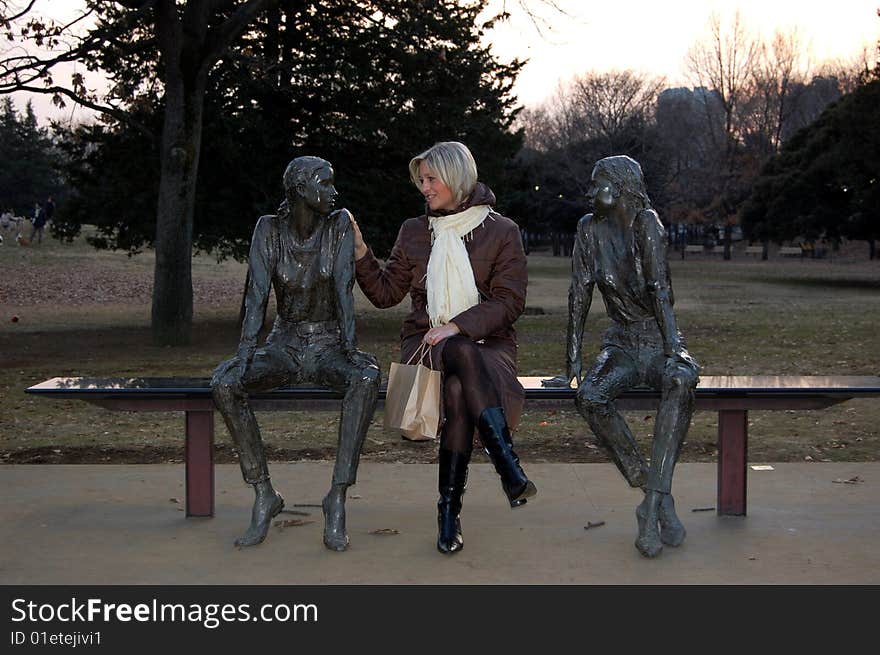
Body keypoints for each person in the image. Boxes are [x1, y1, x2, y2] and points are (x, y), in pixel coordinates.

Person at [351, 141, 536, 555]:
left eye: (432, 179)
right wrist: (362, 253)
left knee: (457, 386)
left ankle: (448, 514)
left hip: (489, 344)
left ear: (455, 178)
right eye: (421, 180)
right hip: (427, 340)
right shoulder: (414, 231)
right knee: (458, 353)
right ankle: (508, 466)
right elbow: (386, 293)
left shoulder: (502, 231)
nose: (425, 188)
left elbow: (509, 302)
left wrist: (458, 326)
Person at [212, 156, 380, 550]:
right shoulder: (267, 230)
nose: (333, 192)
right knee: (223, 382)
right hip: (283, 345)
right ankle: (264, 493)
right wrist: (244, 354)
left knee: (366, 378)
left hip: (327, 346)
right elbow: (256, 297)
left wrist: (351, 350)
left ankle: (336, 496)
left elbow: (343, 292)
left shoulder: (338, 225)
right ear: (302, 189)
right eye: (325, 184)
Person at [543, 155, 699, 558]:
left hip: (658, 338)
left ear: (620, 186)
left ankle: (648, 512)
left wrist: (675, 350)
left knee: (680, 382)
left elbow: (660, 290)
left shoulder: (647, 223)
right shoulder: (587, 229)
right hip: (622, 344)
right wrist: (572, 364)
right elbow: (579, 293)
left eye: (597, 184)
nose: (590, 192)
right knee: (590, 396)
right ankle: (654, 489)